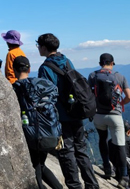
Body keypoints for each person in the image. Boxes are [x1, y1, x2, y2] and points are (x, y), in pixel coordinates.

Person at [37, 33, 99, 189]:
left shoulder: (45, 68)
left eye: (39, 46)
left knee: (66, 152)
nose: (38, 48)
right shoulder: (67, 61)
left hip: (61, 117)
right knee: (81, 150)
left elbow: (46, 95)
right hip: (77, 112)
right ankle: (92, 184)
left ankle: (75, 186)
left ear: (44, 47)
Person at [12, 56, 63, 189]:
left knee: (36, 167)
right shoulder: (41, 85)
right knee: (40, 164)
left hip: (32, 134)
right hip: (49, 131)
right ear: (29, 69)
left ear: (13, 70)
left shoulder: (16, 88)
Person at [88, 53, 130, 188]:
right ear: (112, 63)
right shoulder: (119, 76)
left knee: (102, 139)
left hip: (98, 115)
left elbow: (89, 95)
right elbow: (129, 97)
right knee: (120, 145)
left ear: (100, 63)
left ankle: (107, 168)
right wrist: (120, 104)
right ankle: (124, 177)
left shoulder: (92, 76)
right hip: (115, 115)